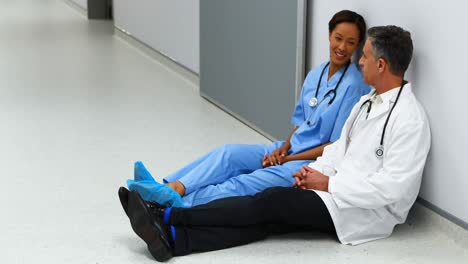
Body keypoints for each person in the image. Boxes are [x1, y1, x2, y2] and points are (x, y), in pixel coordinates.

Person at [120, 25, 431, 262]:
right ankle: (174, 241)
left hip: (362, 213)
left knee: (269, 202)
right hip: (332, 188)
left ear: (381, 65)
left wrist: (327, 184)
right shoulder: (367, 102)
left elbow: (393, 190)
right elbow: (339, 151)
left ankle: (168, 215)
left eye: (364, 55)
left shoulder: (409, 120)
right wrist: (311, 173)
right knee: (266, 223)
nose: (358, 61)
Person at [121, 10, 370, 208]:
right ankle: (169, 186)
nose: (342, 47)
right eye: (338, 38)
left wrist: (288, 159)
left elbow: (334, 146)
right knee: (228, 154)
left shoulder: (353, 86)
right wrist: (283, 147)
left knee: (243, 183)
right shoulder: (316, 74)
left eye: (351, 43)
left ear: (357, 46)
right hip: (288, 149)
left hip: (310, 164)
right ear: (329, 35)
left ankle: (177, 204)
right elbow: (300, 123)